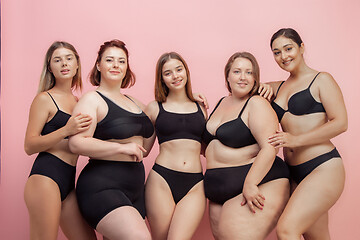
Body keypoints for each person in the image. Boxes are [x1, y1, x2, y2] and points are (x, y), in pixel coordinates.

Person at [68, 39, 155, 240]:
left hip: (135, 190)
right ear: (98, 65)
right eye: (109, 60)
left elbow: (161, 115)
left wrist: (188, 96)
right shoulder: (92, 100)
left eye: (121, 61)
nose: (116, 65)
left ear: (127, 67)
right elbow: (76, 143)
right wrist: (122, 148)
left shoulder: (135, 102)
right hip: (103, 187)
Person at [265, 28, 347, 239]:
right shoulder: (279, 87)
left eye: (288, 48)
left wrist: (296, 139)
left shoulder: (321, 80)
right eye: (276, 52)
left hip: (323, 167)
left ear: (302, 48)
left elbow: (340, 123)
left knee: (287, 230)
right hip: (295, 174)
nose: (283, 56)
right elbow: (244, 86)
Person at [203, 52, 290, 239]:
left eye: (249, 73)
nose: (243, 77)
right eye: (237, 71)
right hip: (218, 190)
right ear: (227, 75)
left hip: (258, 181)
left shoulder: (257, 103)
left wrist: (250, 184)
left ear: (255, 78)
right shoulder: (220, 102)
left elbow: (270, 147)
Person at [24, 41, 96, 240]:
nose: (64, 63)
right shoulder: (45, 99)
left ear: (77, 64)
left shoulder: (80, 102)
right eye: (57, 60)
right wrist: (66, 129)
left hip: (68, 182)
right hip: (46, 178)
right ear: (50, 67)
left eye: (68, 58)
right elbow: (29, 145)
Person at [145, 52, 207, 240]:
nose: (175, 76)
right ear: (161, 79)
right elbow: (143, 150)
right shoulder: (155, 108)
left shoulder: (201, 107)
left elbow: (206, 149)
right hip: (161, 180)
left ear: (186, 72)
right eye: (168, 73)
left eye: (179, 69)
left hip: (195, 184)